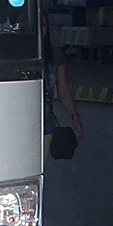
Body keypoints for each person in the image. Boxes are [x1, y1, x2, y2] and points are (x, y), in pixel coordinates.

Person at [43, 16, 83, 159]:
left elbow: (63, 89)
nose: (41, 29)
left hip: (45, 124)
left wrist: (74, 116)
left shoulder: (55, 56)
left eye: (43, 25)